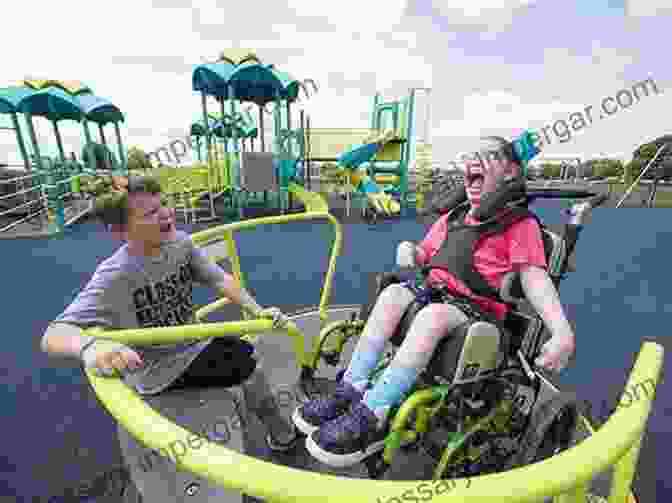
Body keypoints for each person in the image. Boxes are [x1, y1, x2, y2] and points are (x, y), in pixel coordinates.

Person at [293, 136, 579, 467]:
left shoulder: (520, 225)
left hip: (478, 311)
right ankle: (352, 388)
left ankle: (375, 412)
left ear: (511, 172)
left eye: (490, 156)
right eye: (474, 154)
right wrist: (412, 253)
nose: (476, 160)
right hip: (435, 294)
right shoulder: (454, 217)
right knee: (392, 294)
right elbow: (426, 253)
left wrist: (561, 331)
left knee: (433, 317)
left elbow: (534, 278)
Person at [41, 175, 298, 453]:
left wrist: (258, 310)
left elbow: (219, 279)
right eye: (151, 212)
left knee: (244, 356)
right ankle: (281, 434)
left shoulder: (180, 244)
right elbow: (53, 334)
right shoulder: (115, 274)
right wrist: (89, 346)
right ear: (120, 231)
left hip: (193, 344)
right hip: (160, 368)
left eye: (163, 203)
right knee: (248, 365)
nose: (166, 213)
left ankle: (267, 425)